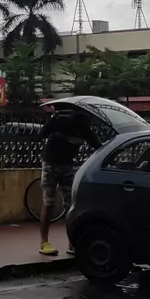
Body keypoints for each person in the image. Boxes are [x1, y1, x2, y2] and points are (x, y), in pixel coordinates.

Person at [38, 102, 101, 256]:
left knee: (70, 205)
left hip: (67, 165)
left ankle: (72, 243)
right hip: (51, 163)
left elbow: (99, 146)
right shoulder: (60, 120)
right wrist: (52, 123)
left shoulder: (85, 128)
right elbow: (41, 135)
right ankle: (44, 242)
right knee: (49, 202)